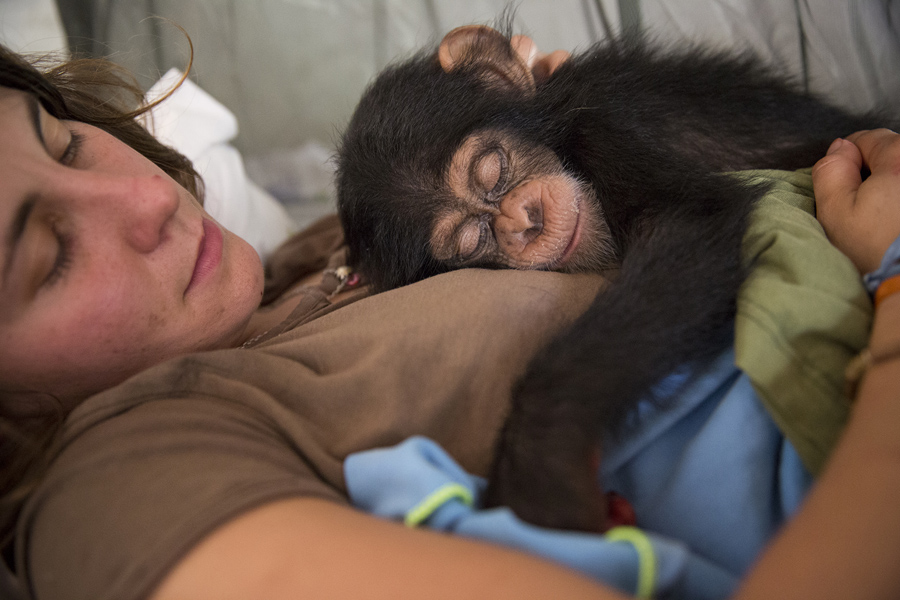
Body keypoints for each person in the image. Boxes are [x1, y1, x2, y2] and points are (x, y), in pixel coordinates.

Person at [1, 39, 900, 600]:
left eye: (65, 141)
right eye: (47, 257)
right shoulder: (121, 486)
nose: (146, 196)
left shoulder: (295, 265)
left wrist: (518, 103)